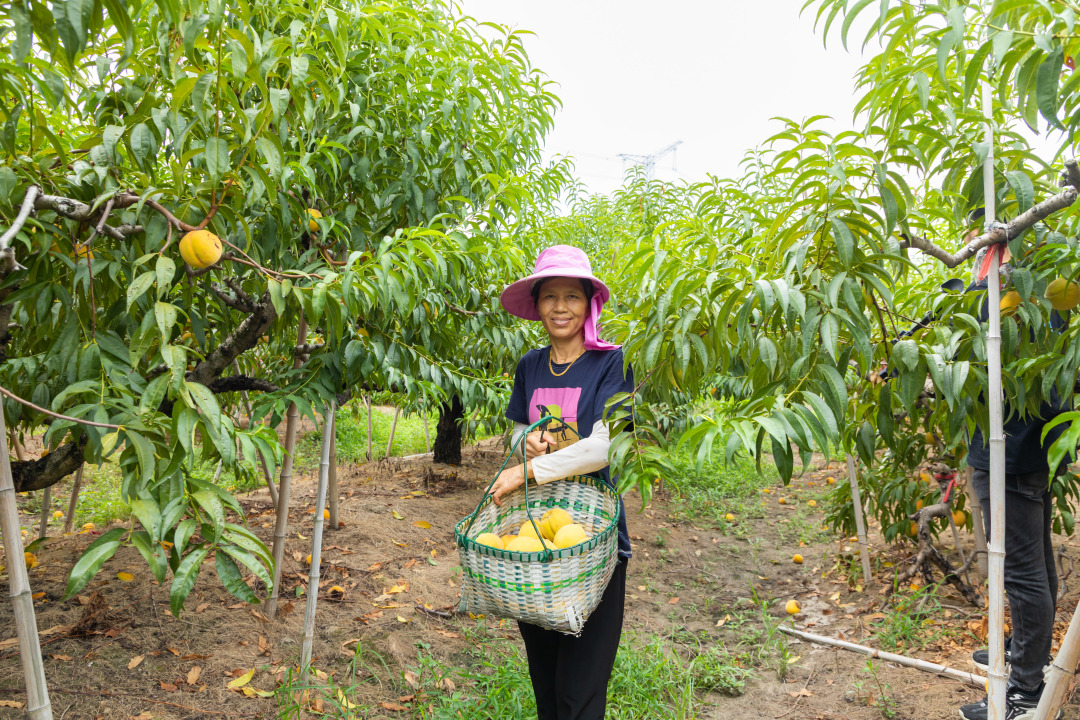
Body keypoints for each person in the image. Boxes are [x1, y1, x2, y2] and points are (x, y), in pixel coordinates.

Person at [488, 244, 633, 720]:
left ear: (589, 303)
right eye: (550, 296)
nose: (560, 307)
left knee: (580, 689)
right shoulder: (530, 365)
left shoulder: (612, 364)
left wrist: (528, 469)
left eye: (572, 296)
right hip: (537, 537)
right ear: (537, 305)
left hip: (593, 540)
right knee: (547, 683)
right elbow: (517, 430)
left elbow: (605, 446)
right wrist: (525, 445)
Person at [960, 240, 1067, 720]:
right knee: (1036, 562)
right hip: (1030, 445)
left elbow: (973, 348)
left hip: (1012, 446)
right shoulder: (1047, 280)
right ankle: (1031, 654)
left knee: (1023, 574)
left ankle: (1025, 690)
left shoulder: (1009, 285)